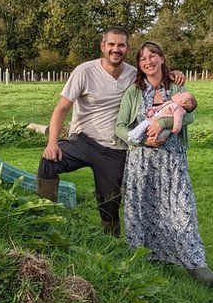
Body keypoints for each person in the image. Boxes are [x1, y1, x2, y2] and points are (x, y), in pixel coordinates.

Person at [36, 27, 183, 236]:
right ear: (102, 46)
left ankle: (111, 243)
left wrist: (173, 74)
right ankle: (43, 218)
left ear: (127, 48)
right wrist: (52, 143)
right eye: (111, 44)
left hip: (116, 148)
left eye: (121, 45)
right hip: (83, 141)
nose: (116, 49)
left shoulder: (134, 75)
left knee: (110, 203)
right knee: (49, 161)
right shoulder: (84, 71)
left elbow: (156, 76)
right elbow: (61, 109)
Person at [115, 41, 213, 287]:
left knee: (182, 210)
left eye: (152, 56)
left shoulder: (176, 85)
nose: (148, 61)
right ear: (139, 65)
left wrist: (165, 124)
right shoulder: (134, 91)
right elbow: (120, 126)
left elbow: (190, 114)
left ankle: (198, 269)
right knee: (143, 211)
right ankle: (147, 260)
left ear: (161, 58)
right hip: (142, 162)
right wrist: (142, 141)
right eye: (142, 58)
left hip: (173, 161)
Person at [126, 91, 196, 144]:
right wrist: (154, 109)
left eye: (180, 94)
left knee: (147, 126)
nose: (178, 93)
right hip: (155, 118)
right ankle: (139, 137)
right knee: (146, 125)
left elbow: (178, 120)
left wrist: (176, 128)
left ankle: (134, 135)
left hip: (162, 125)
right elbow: (161, 107)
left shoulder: (178, 108)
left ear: (182, 101)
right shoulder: (171, 103)